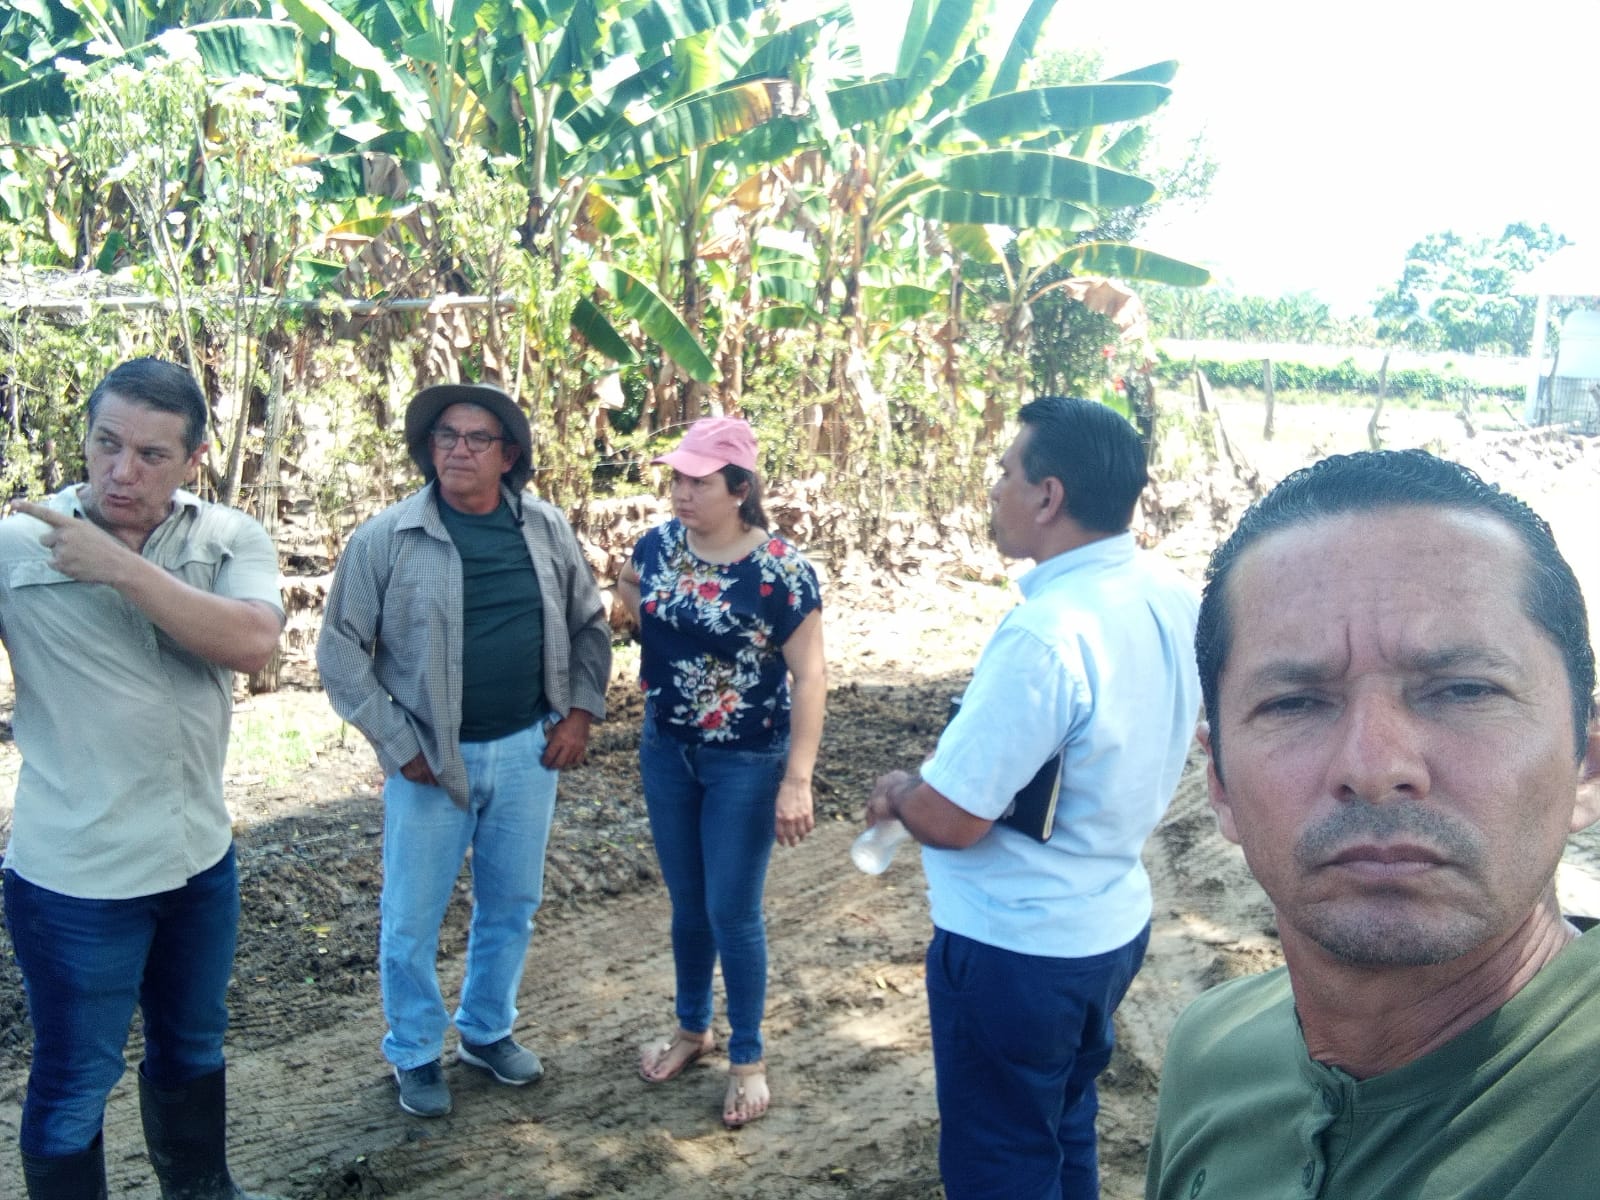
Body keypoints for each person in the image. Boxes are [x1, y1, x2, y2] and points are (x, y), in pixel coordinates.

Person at [1145, 450, 1600, 1200]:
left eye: (1464, 690)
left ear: (1586, 765)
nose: (1374, 765)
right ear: (1220, 784)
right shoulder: (1210, 1052)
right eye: (1294, 702)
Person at [865, 396, 1201, 1200]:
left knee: (1002, 1161)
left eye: (1006, 472)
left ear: (1048, 496)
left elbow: (954, 818)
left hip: (1015, 948)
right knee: (1061, 1126)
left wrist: (899, 792)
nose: (994, 489)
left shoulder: (1047, 635)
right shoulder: (1165, 590)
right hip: (1106, 926)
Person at [0, 358, 285, 1199]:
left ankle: (201, 1189)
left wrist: (117, 566)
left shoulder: (228, 537)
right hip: (74, 878)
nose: (122, 471)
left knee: (193, 1046)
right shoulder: (16, 543)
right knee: (75, 1077)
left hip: (198, 861)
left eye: (152, 455)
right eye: (107, 444)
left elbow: (251, 645)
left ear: (193, 459)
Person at [317, 382, 611, 1119]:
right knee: (410, 920)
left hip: (527, 752)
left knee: (511, 904)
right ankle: (415, 1050)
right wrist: (398, 743)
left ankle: (486, 1030)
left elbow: (589, 623)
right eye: (446, 436)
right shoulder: (386, 538)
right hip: (428, 764)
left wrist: (578, 714)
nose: (458, 450)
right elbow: (340, 652)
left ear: (508, 456)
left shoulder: (545, 529)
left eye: (478, 439)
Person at [616, 416, 825, 1129]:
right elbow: (632, 593)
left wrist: (797, 778)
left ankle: (748, 1058)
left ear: (739, 489)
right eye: (677, 478)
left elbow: (810, 676)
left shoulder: (781, 572)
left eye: (698, 482)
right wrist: (648, 622)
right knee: (687, 904)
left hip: (747, 760)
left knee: (731, 910)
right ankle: (691, 1028)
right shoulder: (657, 545)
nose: (681, 492)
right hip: (666, 749)